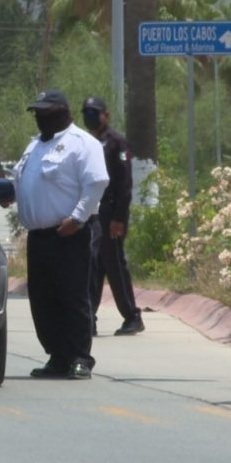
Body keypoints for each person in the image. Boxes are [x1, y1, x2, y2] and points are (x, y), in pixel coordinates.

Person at [12, 89, 109, 380]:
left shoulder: (82, 144)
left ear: (63, 113)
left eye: (46, 113)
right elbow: (22, 180)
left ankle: (80, 357)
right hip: (39, 236)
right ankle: (57, 355)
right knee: (43, 300)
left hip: (69, 234)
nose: (40, 118)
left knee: (73, 296)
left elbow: (96, 183)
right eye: (38, 113)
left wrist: (78, 219)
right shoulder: (35, 146)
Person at [81, 97, 145, 336]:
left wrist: (119, 218)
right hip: (93, 212)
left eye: (94, 112)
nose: (90, 116)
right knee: (94, 266)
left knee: (114, 266)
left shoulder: (117, 144)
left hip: (111, 213)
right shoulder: (86, 142)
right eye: (86, 112)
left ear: (105, 115)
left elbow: (125, 183)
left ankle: (132, 316)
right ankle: (89, 318)